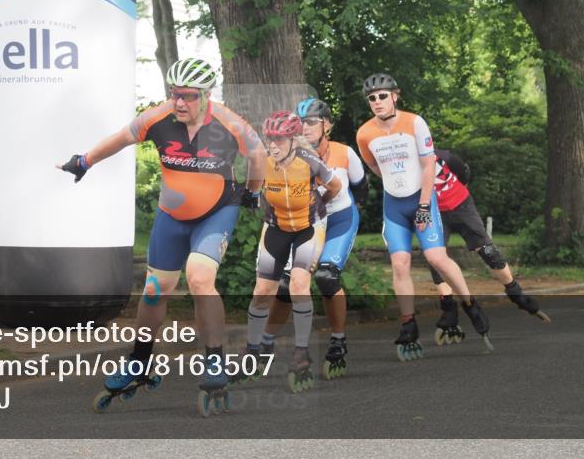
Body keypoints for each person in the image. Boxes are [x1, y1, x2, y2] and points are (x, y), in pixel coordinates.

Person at [59, 57, 266, 415]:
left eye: (188, 96)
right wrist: (85, 161)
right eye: (175, 94)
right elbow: (121, 139)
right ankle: (139, 362)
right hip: (172, 214)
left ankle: (214, 362)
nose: (180, 102)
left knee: (199, 278)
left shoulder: (229, 122)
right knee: (155, 289)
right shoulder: (157, 118)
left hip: (217, 210)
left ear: (207, 95)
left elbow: (258, 153)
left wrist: (252, 191)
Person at [355, 73, 491, 360]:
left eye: (382, 95)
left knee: (436, 258)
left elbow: (429, 166)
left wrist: (425, 205)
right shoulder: (364, 133)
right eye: (372, 98)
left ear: (395, 96)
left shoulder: (415, 122)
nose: (377, 101)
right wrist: (396, 181)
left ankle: (470, 304)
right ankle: (408, 325)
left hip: (422, 198)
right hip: (394, 205)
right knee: (400, 264)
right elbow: (374, 167)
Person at [258, 97, 368, 380]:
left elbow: (361, 188)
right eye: (300, 122)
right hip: (304, 223)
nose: (304, 128)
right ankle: (265, 342)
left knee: (327, 276)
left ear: (326, 125)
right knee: (287, 284)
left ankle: (338, 340)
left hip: (339, 218)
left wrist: (332, 206)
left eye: (311, 122)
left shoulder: (344, 153)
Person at [235, 110, 342, 393]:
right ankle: (254, 349)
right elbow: (253, 190)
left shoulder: (310, 162)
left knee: (298, 283)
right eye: (270, 139)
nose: (274, 145)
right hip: (276, 227)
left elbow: (335, 186)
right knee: (262, 291)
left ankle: (302, 352)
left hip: (309, 227)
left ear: (294, 140)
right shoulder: (262, 162)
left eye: (280, 139)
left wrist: (317, 201)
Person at [429, 148, 550, 345]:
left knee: (488, 251)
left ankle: (516, 293)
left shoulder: (443, 157)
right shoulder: (404, 170)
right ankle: (449, 310)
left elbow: (464, 173)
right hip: (435, 213)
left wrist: (454, 194)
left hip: (461, 205)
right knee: (435, 259)